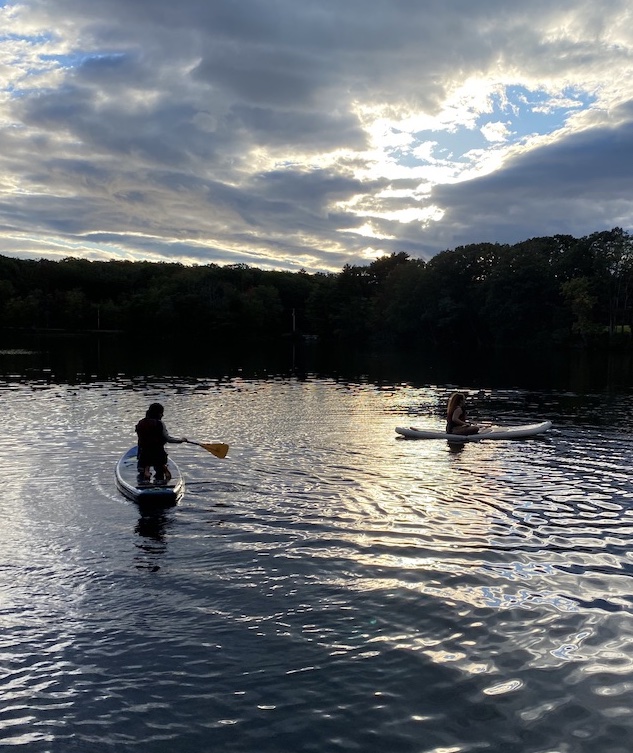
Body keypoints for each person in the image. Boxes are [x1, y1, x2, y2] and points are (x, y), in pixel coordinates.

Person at [135, 403, 188, 483]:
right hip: (158, 453)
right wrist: (180, 440)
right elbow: (167, 438)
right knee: (160, 470)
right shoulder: (159, 423)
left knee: (144, 468)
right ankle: (161, 478)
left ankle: (145, 474)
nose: (162, 415)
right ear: (158, 413)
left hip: (143, 454)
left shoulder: (141, 423)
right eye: (161, 413)